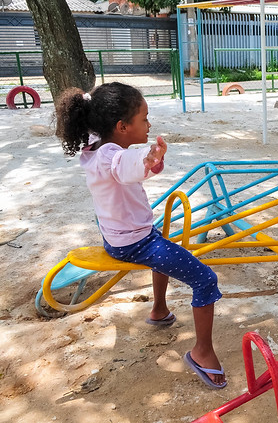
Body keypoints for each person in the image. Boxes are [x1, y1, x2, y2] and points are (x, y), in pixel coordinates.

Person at [54, 82, 226, 390]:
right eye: (144, 119)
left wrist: (149, 163)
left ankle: (159, 310)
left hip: (122, 236)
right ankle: (202, 352)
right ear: (121, 127)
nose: (149, 124)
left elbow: (126, 168)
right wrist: (148, 158)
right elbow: (126, 165)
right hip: (134, 243)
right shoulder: (112, 156)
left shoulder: (96, 145)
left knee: (162, 242)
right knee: (205, 280)